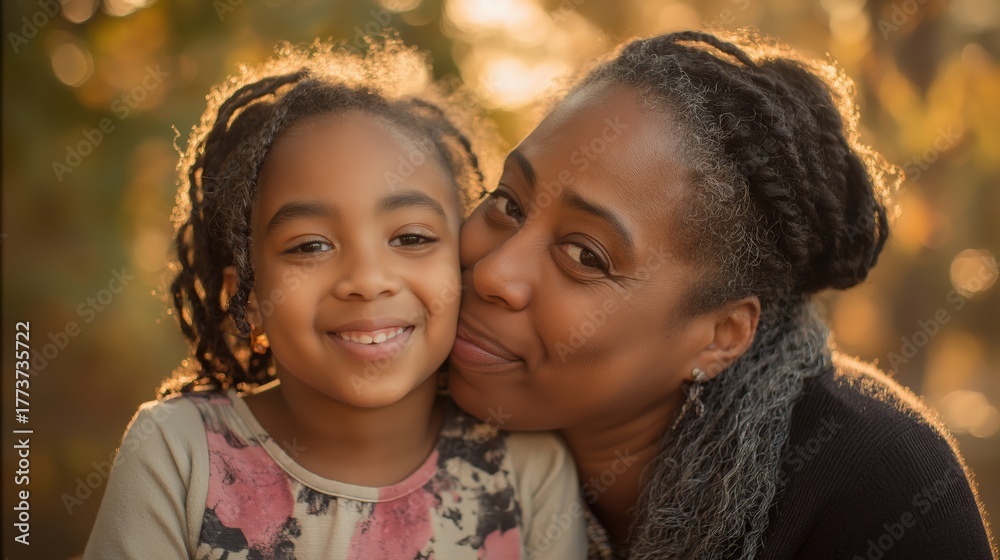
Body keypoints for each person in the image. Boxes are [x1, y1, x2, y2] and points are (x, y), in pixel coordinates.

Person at [449, 29, 996, 559]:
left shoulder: (880, 495)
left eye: (586, 255)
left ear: (720, 336)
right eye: (508, 203)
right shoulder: (399, 385)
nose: (494, 272)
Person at [84, 38, 586, 559]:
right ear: (248, 297)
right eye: (311, 245)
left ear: (459, 265)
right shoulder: (178, 452)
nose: (368, 280)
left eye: (411, 238)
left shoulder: (526, 466)